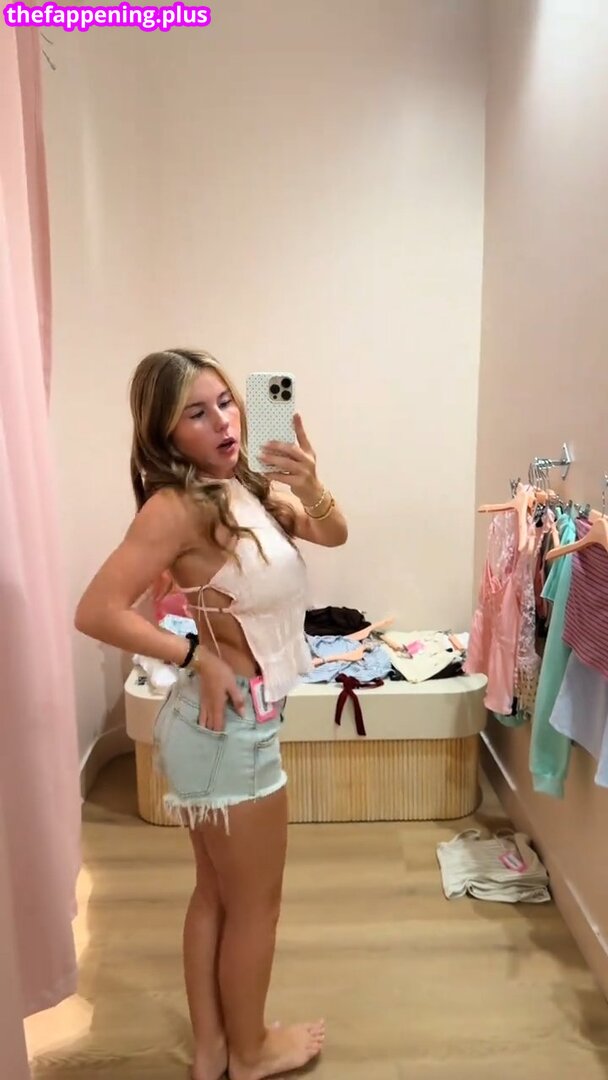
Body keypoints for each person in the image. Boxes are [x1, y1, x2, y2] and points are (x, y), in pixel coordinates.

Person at [75, 348, 348, 1080]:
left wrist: (310, 483)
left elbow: (333, 533)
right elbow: (96, 610)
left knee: (218, 897)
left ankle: (212, 1051)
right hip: (231, 733)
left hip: (221, 729)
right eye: (196, 413)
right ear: (164, 434)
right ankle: (252, 1050)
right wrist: (196, 654)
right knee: (255, 907)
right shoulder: (178, 507)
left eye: (226, 401)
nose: (224, 422)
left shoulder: (243, 489)